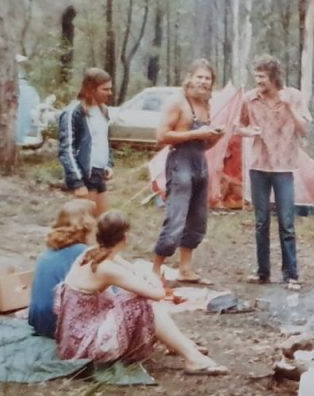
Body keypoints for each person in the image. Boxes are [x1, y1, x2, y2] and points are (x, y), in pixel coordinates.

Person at [54, 210, 227, 375]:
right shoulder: (106, 268)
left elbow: (132, 270)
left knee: (137, 299)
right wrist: (154, 277)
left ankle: (183, 346)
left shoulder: (93, 253)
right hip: (84, 343)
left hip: (74, 337)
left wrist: (146, 276)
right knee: (143, 303)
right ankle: (192, 357)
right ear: (125, 237)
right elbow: (156, 294)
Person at [237, 55, 312, 291]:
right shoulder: (250, 99)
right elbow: (237, 126)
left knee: (286, 222)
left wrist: (289, 107)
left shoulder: (294, 97)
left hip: (284, 166)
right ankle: (262, 272)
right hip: (259, 165)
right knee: (261, 222)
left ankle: (291, 274)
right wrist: (249, 132)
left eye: (262, 76)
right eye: (256, 75)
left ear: (274, 77)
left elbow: (304, 130)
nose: (258, 80)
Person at [152, 59, 224, 285]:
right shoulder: (178, 103)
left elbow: (204, 145)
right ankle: (156, 269)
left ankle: (185, 269)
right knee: (176, 218)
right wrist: (194, 134)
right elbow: (162, 136)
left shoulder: (206, 105)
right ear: (190, 78)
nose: (203, 82)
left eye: (208, 78)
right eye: (199, 77)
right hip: (179, 162)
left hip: (199, 163)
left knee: (197, 220)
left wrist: (214, 136)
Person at [28, 199, 96, 338]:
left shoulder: (49, 250)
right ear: (87, 225)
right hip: (56, 324)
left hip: (36, 319)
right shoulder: (82, 252)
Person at [58, 68, 114, 217]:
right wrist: (77, 182)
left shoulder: (104, 111)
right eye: (105, 89)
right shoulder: (73, 112)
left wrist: (108, 164)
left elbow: (104, 141)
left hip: (99, 174)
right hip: (84, 174)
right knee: (85, 225)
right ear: (91, 88)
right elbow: (66, 150)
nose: (110, 93)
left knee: (103, 222)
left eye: (110, 89)